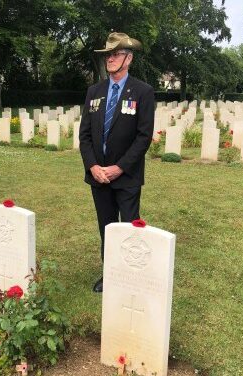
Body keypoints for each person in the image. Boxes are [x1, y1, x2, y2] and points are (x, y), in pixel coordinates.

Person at [79, 32, 155, 293]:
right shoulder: (94, 91)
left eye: (116, 54)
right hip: (98, 176)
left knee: (130, 228)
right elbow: (85, 135)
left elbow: (143, 138)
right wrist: (93, 167)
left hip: (127, 176)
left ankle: (132, 276)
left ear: (129, 58)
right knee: (107, 228)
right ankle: (110, 274)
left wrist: (119, 167)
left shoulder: (143, 92)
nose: (110, 59)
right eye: (108, 55)